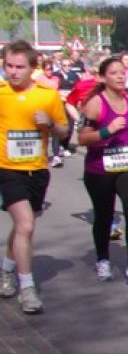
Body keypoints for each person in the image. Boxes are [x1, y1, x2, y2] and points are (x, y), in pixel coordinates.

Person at [0, 41, 70, 315]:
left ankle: (6, 268)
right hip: (7, 169)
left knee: (23, 227)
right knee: (26, 225)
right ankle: (27, 288)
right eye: (8, 66)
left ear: (32, 68)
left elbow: (64, 131)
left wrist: (49, 124)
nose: (13, 72)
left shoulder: (47, 96)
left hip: (38, 170)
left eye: (19, 67)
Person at [77, 57, 128, 288]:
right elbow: (82, 139)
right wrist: (106, 131)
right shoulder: (95, 104)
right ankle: (103, 258)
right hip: (100, 169)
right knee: (104, 215)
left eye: (122, 72)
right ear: (102, 77)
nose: (120, 76)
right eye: (113, 73)